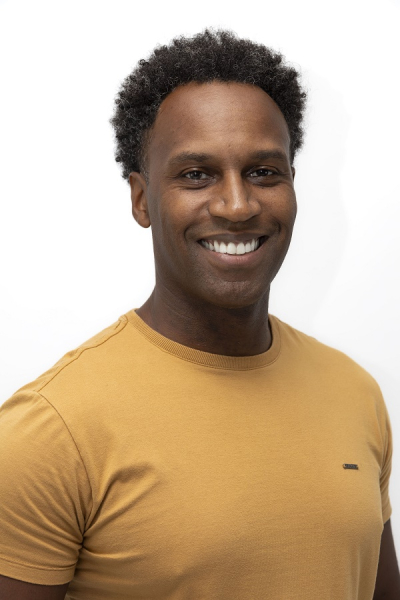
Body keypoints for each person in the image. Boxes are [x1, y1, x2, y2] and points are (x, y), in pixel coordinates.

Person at [0, 29, 398, 600]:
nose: (237, 205)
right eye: (196, 174)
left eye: (264, 171)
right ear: (142, 199)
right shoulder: (49, 430)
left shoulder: (355, 391)